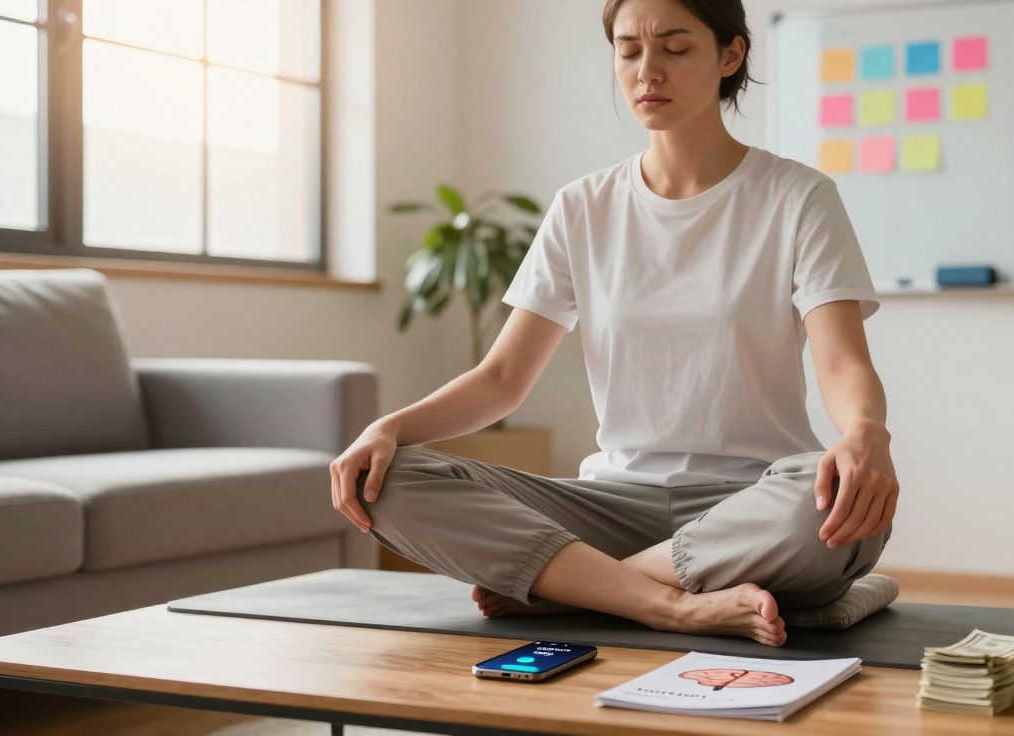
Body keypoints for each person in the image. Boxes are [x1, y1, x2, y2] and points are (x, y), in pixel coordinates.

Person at [330, 0, 900, 648]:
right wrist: (386, 428)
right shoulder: (583, 207)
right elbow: (502, 379)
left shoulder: (799, 197)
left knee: (831, 502)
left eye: (675, 48)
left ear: (730, 55)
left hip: (749, 507)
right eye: (628, 51)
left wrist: (866, 434)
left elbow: (841, 362)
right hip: (610, 506)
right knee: (387, 479)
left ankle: (586, 590)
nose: (646, 71)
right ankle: (667, 605)